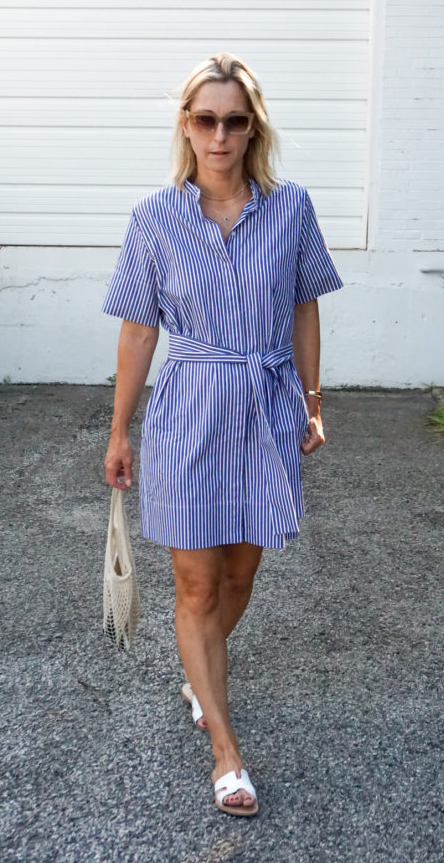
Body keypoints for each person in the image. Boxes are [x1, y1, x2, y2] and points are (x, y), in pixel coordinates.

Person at [101, 52, 343, 817]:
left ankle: (197, 670)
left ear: (252, 129)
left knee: (240, 577)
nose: (220, 133)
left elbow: (305, 306)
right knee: (196, 585)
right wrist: (119, 432)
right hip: (190, 411)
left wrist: (311, 401)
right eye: (206, 118)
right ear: (186, 125)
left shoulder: (292, 207)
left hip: (267, 406)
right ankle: (226, 751)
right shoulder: (154, 218)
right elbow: (140, 331)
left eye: (235, 120)